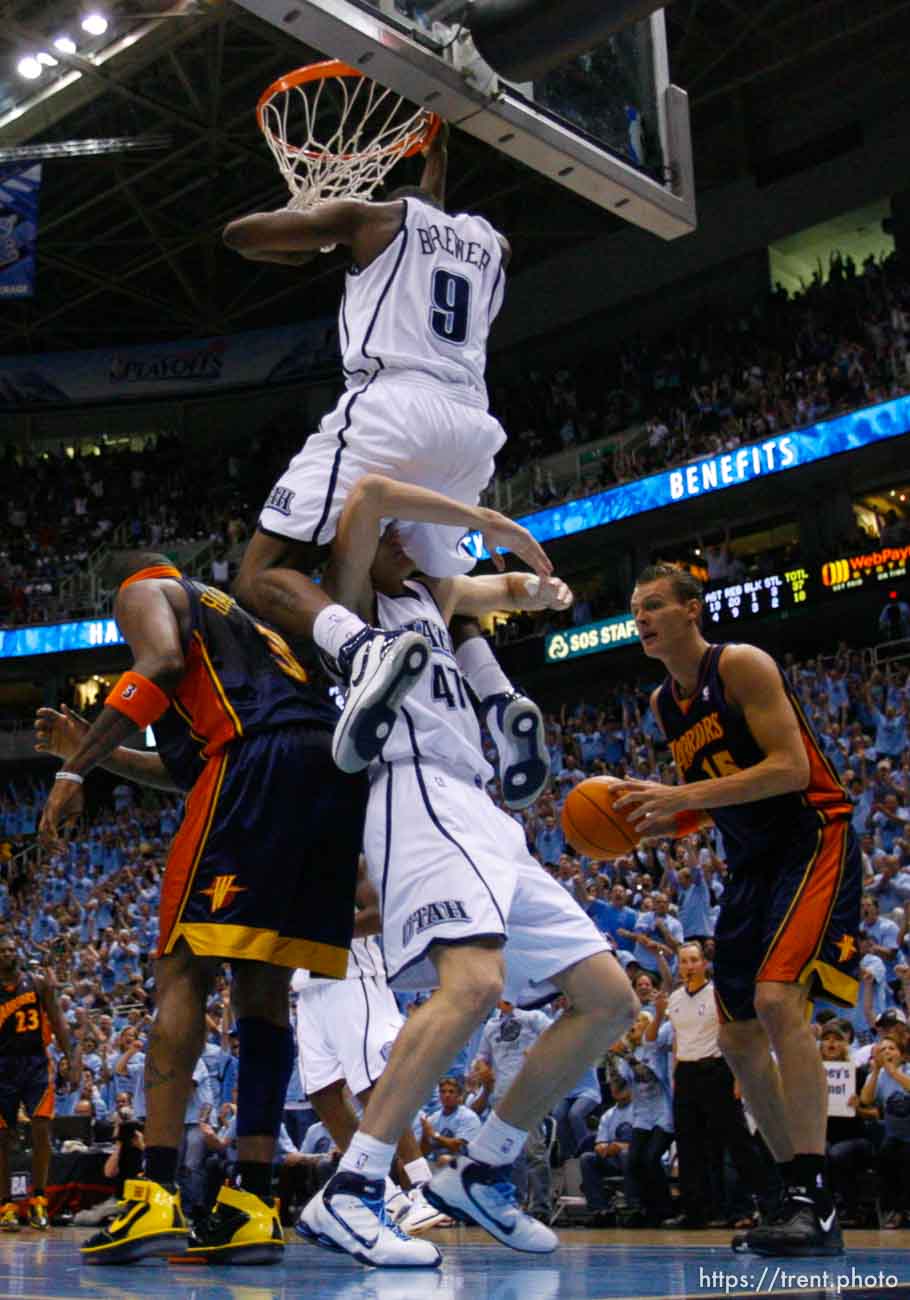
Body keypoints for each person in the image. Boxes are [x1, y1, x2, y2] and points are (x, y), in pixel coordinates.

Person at [297, 473, 639, 1267]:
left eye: (405, 541)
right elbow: (371, 497)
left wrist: (539, 587)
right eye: (391, 540)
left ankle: (483, 1170)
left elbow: (497, 588)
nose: (398, 544)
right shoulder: (353, 602)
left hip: (482, 804)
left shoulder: (431, 596)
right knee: (474, 984)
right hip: (413, 788)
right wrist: (488, 517)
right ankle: (351, 1191)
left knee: (608, 999)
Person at [35, 551, 368, 1265]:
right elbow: (189, 769)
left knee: (183, 967)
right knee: (263, 984)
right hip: (326, 769)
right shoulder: (237, 631)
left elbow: (152, 666)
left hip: (258, 761)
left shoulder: (147, 588)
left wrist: (74, 768)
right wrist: (92, 751)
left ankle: (152, 1194)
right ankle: (251, 1200)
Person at [225, 126, 551, 806]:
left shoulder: (370, 219)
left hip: (392, 407)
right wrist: (438, 159)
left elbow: (240, 236)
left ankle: (360, 650)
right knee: (434, 588)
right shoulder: (493, 244)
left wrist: (320, 224)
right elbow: (430, 220)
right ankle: (498, 700)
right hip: (470, 426)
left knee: (258, 574)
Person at [616, 563, 862, 1255]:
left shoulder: (743, 666)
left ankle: (818, 1198)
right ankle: (792, 1194)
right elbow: (712, 795)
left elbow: (788, 768)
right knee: (737, 1036)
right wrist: (659, 820)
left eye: (655, 605)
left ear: (693, 610)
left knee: (780, 1001)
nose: (643, 618)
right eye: (637, 610)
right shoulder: (666, 706)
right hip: (751, 862)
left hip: (812, 836)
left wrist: (684, 799)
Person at [291, 861, 445, 1235]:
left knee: (372, 1085)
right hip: (308, 989)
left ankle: (422, 1189)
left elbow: (379, 915)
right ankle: (385, 1195)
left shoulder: (348, 857)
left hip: (352, 976)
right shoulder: (278, 863)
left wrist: (326, 934)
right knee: (322, 1093)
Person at [660, 942, 771, 1229]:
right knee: (688, 1145)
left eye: (694, 960)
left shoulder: (718, 995)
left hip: (717, 1069)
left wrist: (738, 1078)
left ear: (704, 964)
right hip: (686, 1072)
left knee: (736, 1142)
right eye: (684, 961)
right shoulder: (674, 999)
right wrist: (675, 1074)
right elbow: (676, 1040)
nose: (689, 966)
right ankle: (695, 1212)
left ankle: (754, 1207)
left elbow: (732, 1036)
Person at [0, 938, 71, 1232]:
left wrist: (72, 1058)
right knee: (4, 1139)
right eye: (3, 951)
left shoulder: (39, 984)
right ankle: (6, 1205)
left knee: (42, 1128)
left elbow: (58, 1022)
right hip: (2, 1067)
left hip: (36, 1064)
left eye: (12, 949)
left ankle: (39, 1198)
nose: (8, 953)